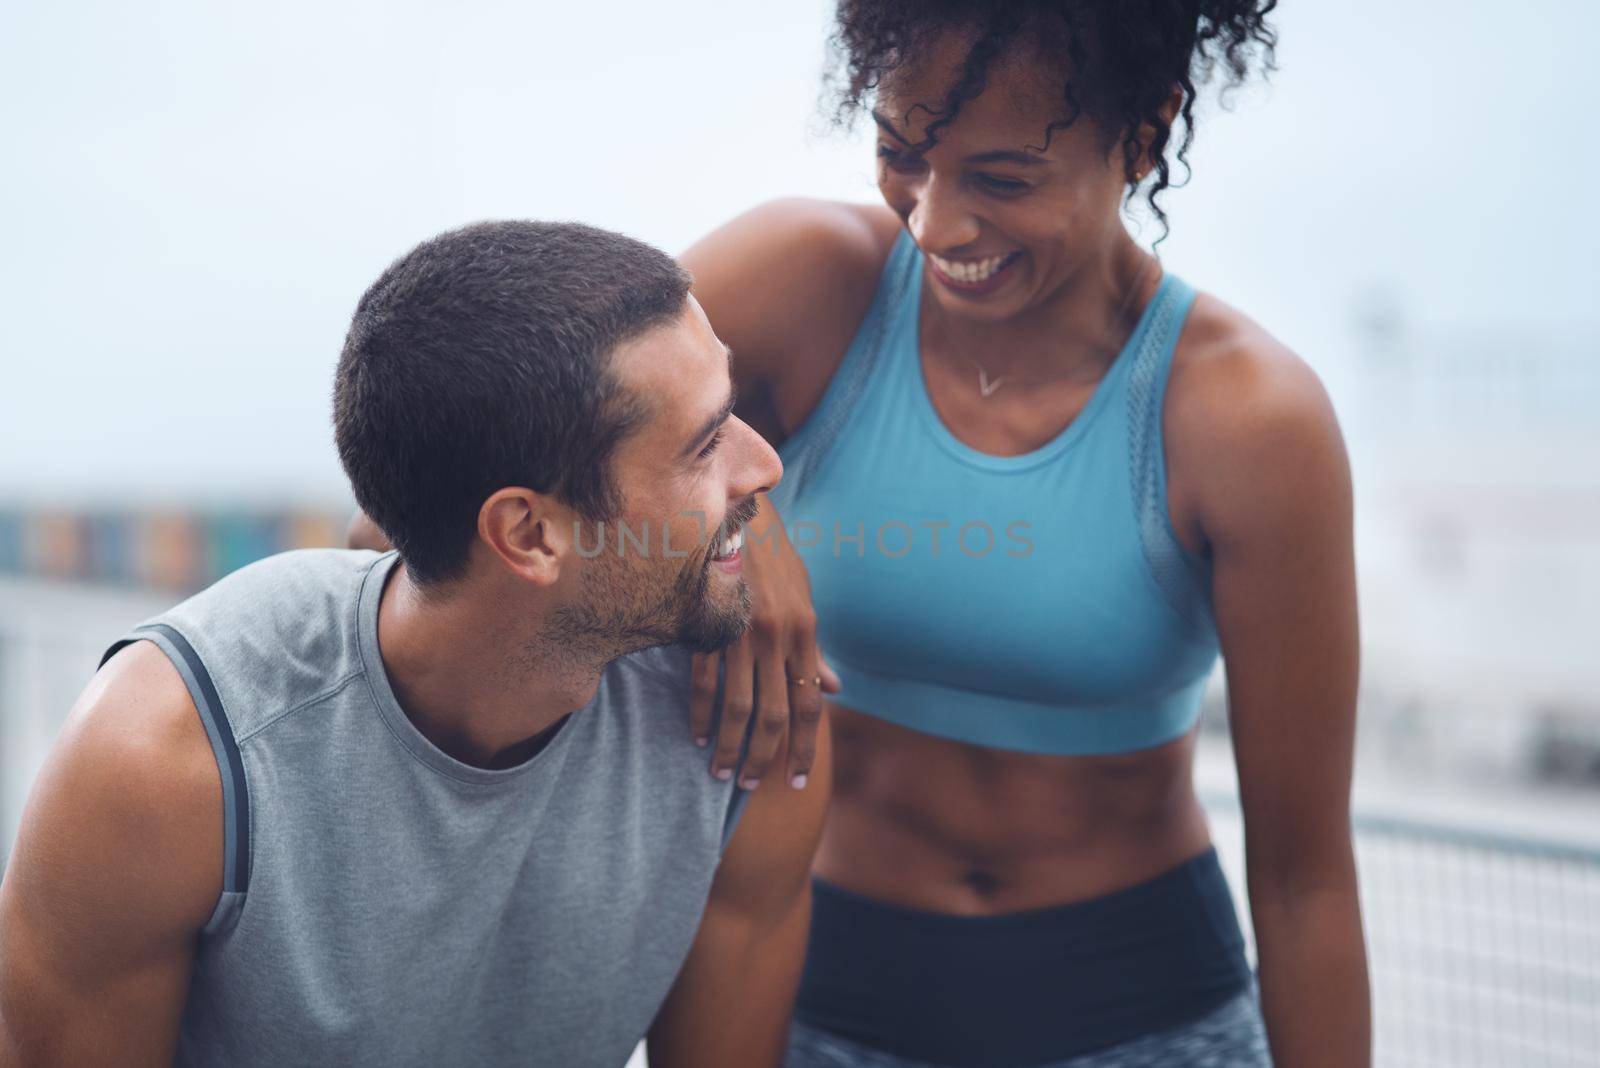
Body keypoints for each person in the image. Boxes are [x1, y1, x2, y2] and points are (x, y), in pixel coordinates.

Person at [679, 2, 1370, 1066]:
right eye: (902, 155)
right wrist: (734, 520)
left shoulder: (1248, 419)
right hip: (811, 995)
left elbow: (1305, 880)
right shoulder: (809, 281)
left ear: (1143, 135)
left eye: (1002, 180)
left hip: (1137, 1018)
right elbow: (539, 437)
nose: (935, 224)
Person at [0, 221, 831, 1068]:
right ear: (530, 534)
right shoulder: (171, 760)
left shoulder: (749, 718)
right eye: (706, 441)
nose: (764, 468)